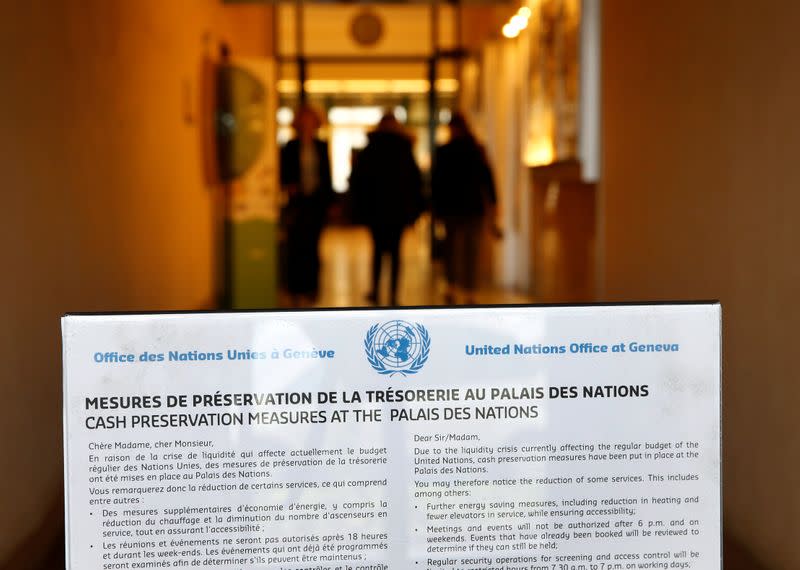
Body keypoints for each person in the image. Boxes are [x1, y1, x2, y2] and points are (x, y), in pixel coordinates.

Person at [350, 113, 424, 306]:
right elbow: (415, 182)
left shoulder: (370, 149)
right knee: (395, 252)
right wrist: (415, 209)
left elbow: (358, 181)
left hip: (375, 209)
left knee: (377, 250)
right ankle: (393, 294)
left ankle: (375, 290)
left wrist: (359, 208)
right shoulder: (404, 148)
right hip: (398, 210)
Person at [432, 112, 498, 305]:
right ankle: (469, 291)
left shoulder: (445, 152)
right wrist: (493, 204)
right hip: (472, 207)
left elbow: (437, 184)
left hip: (452, 208)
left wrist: (436, 209)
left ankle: (452, 287)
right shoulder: (477, 150)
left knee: (451, 250)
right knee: (470, 251)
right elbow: (488, 181)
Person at [279, 105, 333, 306]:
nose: (307, 124)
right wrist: (289, 186)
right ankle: (295, 288)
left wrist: (330, 202)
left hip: (316, 203)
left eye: (310, 120)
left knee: (313, 246)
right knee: (296, 246)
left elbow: (327, 175)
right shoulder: (290, 146)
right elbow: (283, 173)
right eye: (304, 120)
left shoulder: (321, 146)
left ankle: (311, 287)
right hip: (297, 204)